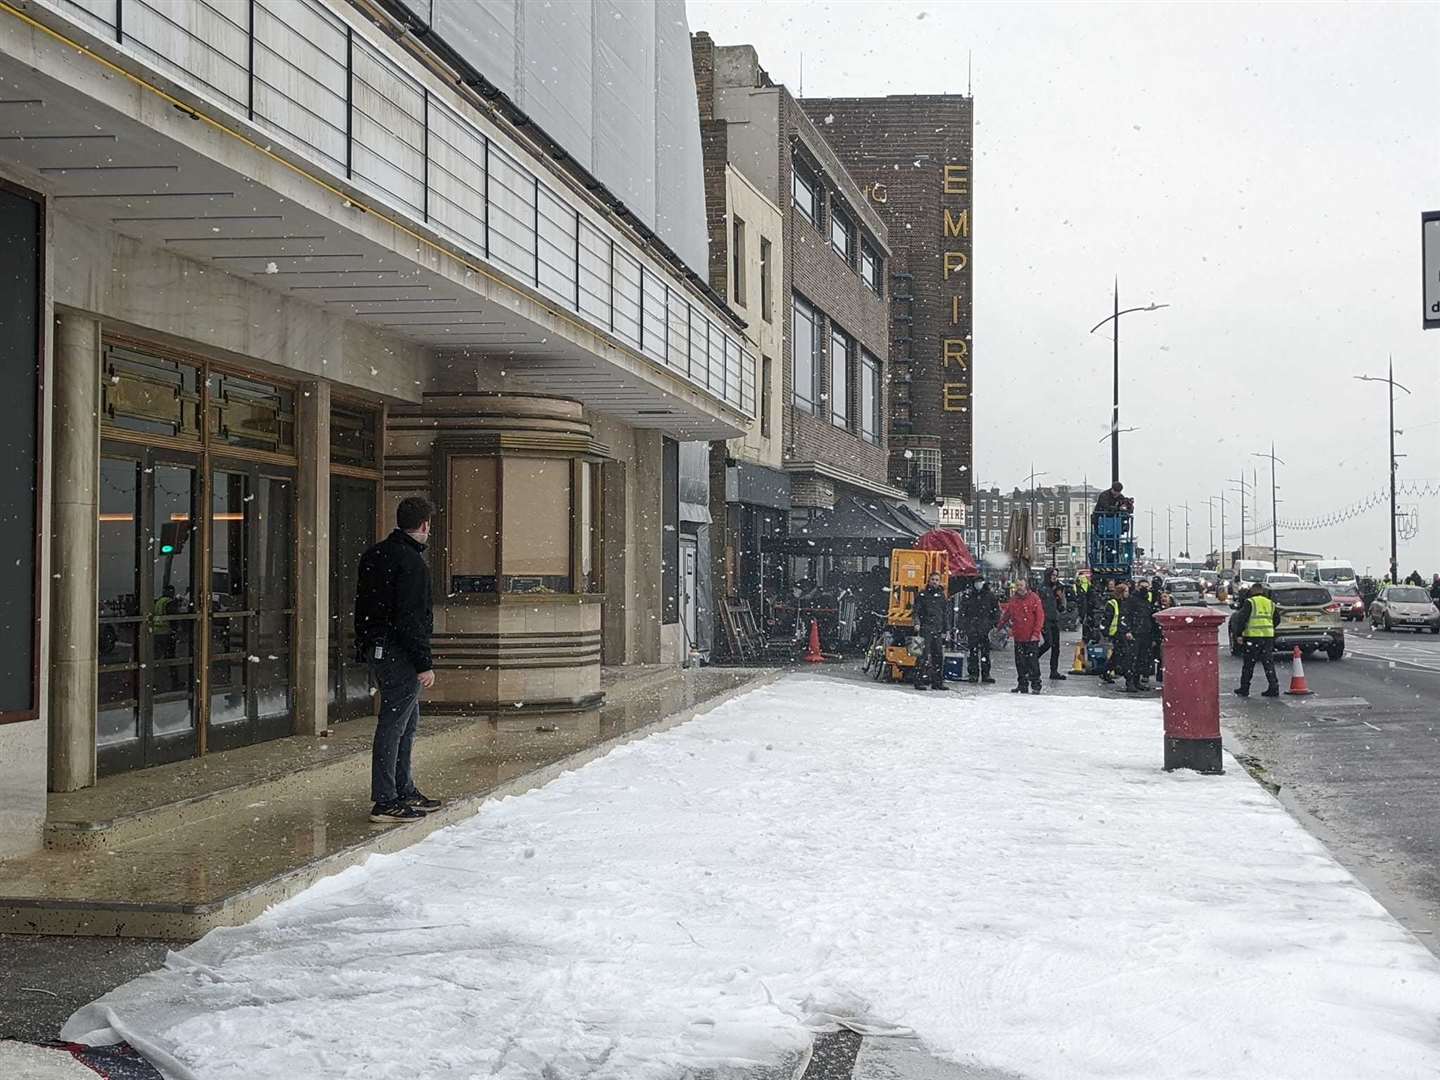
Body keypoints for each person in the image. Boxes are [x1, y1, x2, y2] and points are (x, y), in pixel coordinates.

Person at [354, 496, 443, 824]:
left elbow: (365, 607)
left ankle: (403, 789)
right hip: (400, 654)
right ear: (424, 526)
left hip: (380, 649)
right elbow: (411, 619)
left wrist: (366, 644)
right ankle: (386, 798)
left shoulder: (375, 554)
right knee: (395, 724)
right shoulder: (412, 563)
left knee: (406, 720)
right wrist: (424, 662)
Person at [998, 578, 1046, 694]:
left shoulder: (1034, 598)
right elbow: (1007, 614)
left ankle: (1035, 685)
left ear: (1026, 586)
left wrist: (1036, 633)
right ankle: (1022, 684)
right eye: (1017, 585)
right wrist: (999, 626)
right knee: (1020, 662)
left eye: (1021, 585)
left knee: (1032, 662)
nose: (1019, 587)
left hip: (1031, 637)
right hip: (1019, 636)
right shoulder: (1014, 600)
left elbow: (1040, 617)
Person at [1234, 582, 1280, 698]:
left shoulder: (1250, 602)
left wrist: (1239, 634)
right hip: (1268, 637)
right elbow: (1277, 619)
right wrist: (1269, 627)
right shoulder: (1270, 603)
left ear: (1253, 591)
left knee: (1249, 664)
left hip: (1253, 637)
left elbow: (1242, 618)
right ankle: (1274, 688)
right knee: (1268, 663)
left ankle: (1244, 688)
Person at [911, 571, 951, 691]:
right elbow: (916, 611)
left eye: (937, 580)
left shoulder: (941, 596)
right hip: (925, 629)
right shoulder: (922, 595)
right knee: (922, 656)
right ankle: (919, 681)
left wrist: (947, 629)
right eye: (933, 579)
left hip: (937, 630)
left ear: (939, 582)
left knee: (938, 656)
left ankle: (937, 682)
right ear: (929, 580)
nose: (934, 582)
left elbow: (945, 614)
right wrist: (917, 623)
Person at [959, 578, 999, 684]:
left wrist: (993, 624)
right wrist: (964, 626)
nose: (978, 584)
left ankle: (986, 674)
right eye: (976, 582)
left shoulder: (989, 596)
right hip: (972, 628)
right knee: (973, 652)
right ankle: (973, 674)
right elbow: (963, 612)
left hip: (985, 629)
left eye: (980, 582)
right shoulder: (968, 596)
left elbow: (995, 611)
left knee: (985, 652)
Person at [1122, 580, 1158, 692]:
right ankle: (1130, 682)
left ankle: (1136, 681)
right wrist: (1128, 630)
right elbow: (1125, 615)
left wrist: (1152, 635)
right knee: (1131, 658)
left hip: (1145, 634)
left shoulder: (1146, 600)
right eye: (1142, 586)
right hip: (1135, 633)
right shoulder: (1132, 600)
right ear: (1137, 587)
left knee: (1142, 659)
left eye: (1147, 587)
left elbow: (1150, 618)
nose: (1145, 589)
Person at [1036, 567, 1067, 680]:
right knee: (1048, 643)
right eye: (1053, 575)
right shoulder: (1042, 589)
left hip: (1054, 619)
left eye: (1056, 575)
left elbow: (1059, 605)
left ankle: (1054, 671)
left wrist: (1060, 600)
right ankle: (1033, 660)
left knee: (1056, 647)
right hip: (1045, 619)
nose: (1055, 577)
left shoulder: (1056, 588)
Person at [1101, 581, 1128, 685]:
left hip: (1121, 632)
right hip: (1116, 633)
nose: (1127, 593)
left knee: (1117, 654)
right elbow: (1107, 618)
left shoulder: (1125, 603)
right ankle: (1112, 671)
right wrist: (1106, 632)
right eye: (1126, 591)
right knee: (1121, 653)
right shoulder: (1113, 603)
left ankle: (1106, 671)